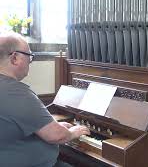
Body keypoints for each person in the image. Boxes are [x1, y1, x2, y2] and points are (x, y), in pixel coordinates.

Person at [0, 32, 90, 167]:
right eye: (29, 56)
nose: (30, 62)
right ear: (15, 58)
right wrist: (72, 132)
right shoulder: (16, 92)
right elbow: (56, 136)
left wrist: (55, 126)